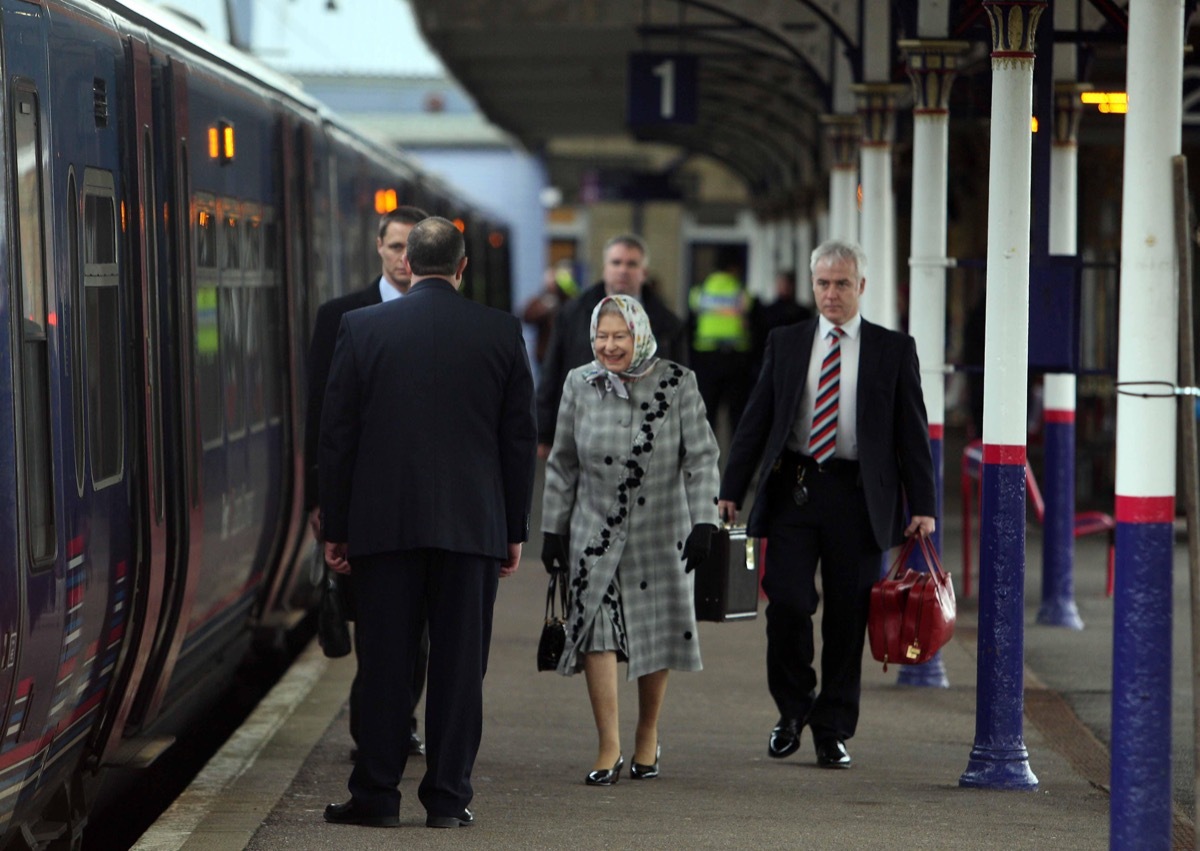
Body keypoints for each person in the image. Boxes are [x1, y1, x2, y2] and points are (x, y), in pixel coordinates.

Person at [319, 216, 536, 828]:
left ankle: (376, 797)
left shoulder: (360, 328)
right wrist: (512, 529)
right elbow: (517, 439)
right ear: (462, 268)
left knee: (386, 663)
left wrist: (337, 526)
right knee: (460, 667)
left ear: (408, 263)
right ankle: (447, 799)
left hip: (383, 529)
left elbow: (337, 438)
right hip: (472, 529)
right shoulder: (499, 331)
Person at [717, 239, 936, 770]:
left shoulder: (893, 350)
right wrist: (731, 489)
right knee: (788, 602)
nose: (831, 293)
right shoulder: (786, 342)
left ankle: (832, 728)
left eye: (842, 283)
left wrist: (923, 504)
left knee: (848, 616)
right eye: (823, 283)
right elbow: (756, 419)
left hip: (860, 499)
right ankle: (793, 710)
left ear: (862, 286)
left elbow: (913, 433)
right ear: (812, 285)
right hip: (795, 489)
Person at [541, 294, 721, 785]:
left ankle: (647, 733)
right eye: (601, 336)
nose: (608, 346)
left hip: (660, 531)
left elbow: (702, 457)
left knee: (652, 632)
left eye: (619, 336)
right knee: (596, 633)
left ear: (638, 334)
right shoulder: (578, 383)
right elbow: (562, 462)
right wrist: (552, 528)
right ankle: (608, 746)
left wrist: (704, 519)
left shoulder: (678, 383)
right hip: (593, 531)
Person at [304, 205, 429, 760]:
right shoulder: (339, 315)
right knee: (375, 626)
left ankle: (394, 723)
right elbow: (321, 416)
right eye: (395, 246)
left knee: (416, 627)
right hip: (359, 498)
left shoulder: (442, 316)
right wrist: (321, 499)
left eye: (413, 249)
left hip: (423, 500)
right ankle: (378, 727)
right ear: (378, 246)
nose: (404, 259)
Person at [536, 234, 687, 457]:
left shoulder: (667, 324)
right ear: (605, 268)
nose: (623, 270)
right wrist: (544, 432)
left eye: (631, 263)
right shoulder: (573, 314)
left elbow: (680, 385)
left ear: (643, 272)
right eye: (616, 262)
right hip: (584, 433)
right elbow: (552, 372)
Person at [687, 248, 754, 435]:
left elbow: (691, 322)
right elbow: (750, 320)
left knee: (707, 412)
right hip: (735, 358)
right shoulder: (741, 291)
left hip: (706, 357)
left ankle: (705, 458)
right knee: (737, 414)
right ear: (734, 268)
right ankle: (736, 459)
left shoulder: (700, 291)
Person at [521, 260, 578, 364]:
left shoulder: (566, 300)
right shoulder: (541, 299)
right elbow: (526, 316)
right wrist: (545, 308)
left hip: (565, 352)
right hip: (545, 353)